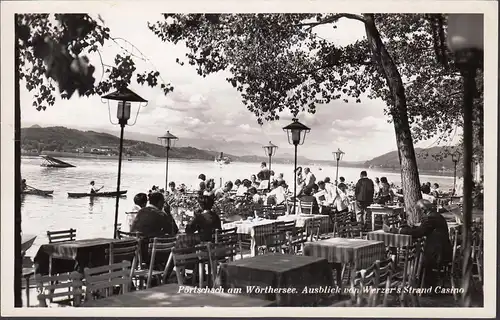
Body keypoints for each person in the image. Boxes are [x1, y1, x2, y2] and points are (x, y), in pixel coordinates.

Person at [383, 199, 452, 288]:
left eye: (420, 211)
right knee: (417, 256)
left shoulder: (430, 218)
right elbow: (424, 229)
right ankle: (418, 282)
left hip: (437, 253)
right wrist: (413, 228)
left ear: (424, 209)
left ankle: (420, 284)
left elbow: (419, 233)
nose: (420, 214)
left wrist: (397, 230)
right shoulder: (437, 215)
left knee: (417, 260)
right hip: (443, 249)